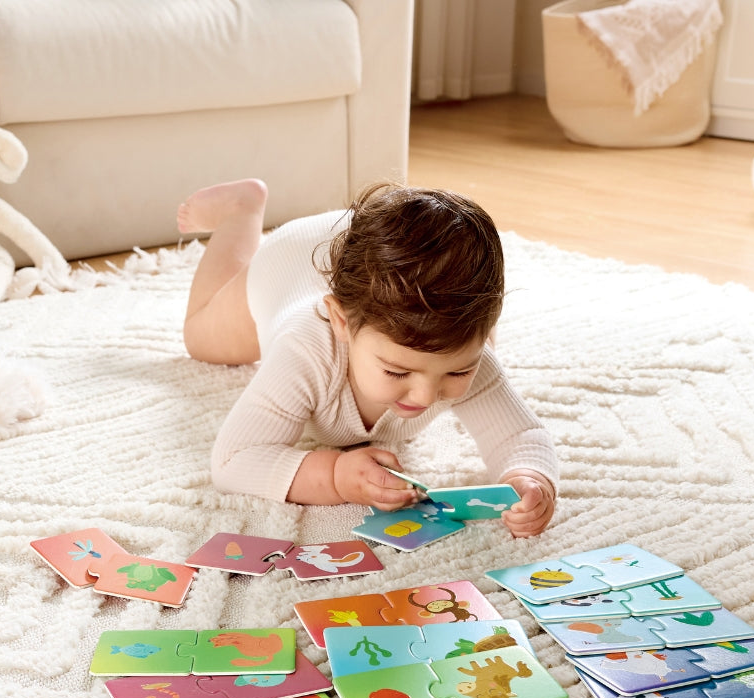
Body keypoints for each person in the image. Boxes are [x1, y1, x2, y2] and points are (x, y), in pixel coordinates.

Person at [177, 178, 558, 537]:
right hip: (290, 264)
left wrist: (530, 477)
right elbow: (233, 461)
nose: (425, 396)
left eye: (457, 371)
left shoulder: (469, 355)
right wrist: (335, 476)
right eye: (396, 370)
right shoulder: (305, 350)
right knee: (201, 339)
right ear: (341, 322)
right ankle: (241, 212)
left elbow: (519, 434)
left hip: (378, 260)